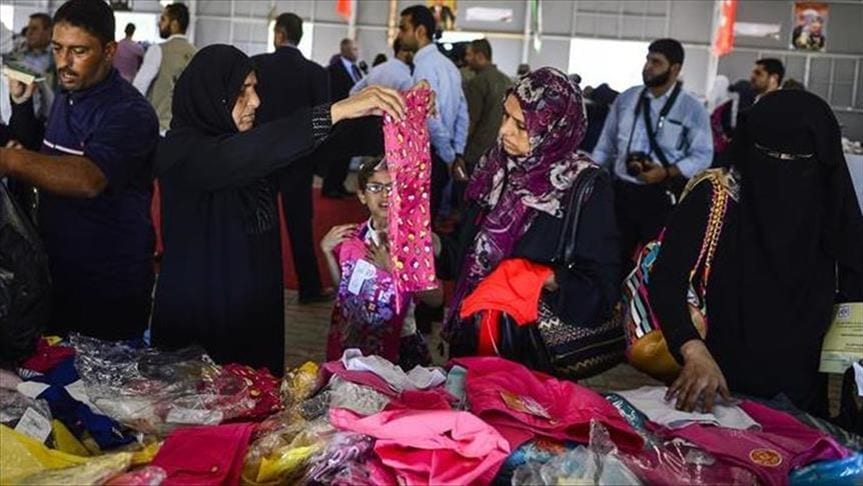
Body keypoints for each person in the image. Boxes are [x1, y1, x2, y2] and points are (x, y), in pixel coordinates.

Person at [150, 44, 414, 376]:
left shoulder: (243, 143)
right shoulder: (182, 152)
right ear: (211, 95)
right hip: (201, 324)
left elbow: (318, 147)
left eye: (254, 88)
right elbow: (249, 153)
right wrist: (336, 110)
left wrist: (402, 114)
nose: (255, 101)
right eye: (242, 91)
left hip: (252, 316)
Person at [652, 90, 863, 417]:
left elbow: (855, 296)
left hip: (802, 399)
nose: (781, 166)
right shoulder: (715, 198)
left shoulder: (833, 209)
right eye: (769, 153)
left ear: (823, 159)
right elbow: (666, 279)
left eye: (797, 158)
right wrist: (691, 348)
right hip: (709, 388)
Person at [435, 68, 621, 360]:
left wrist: (544, 278)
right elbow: (465, 252)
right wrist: (432, 245)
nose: (504, 131)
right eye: (505, 116)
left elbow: (602, 292)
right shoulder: (494, 169)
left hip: (526, 353)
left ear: (554, 129)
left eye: (521, 125)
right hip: (470, 337)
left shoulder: (582, 187)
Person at [0, 0, 159, 341]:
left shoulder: (129, 112)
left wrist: (8, 160)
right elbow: (48, 156)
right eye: (58, 48)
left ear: (109, 51)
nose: (64, 62)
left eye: (78, 51)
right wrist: (22, 106)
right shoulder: (68, 94)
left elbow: (89, 178)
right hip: (58, 273)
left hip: (107, 285)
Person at [592, 38, 712, 269]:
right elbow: (605, 145)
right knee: (610, 258)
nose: (648, 67)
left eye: (656, 62)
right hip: (621, 193)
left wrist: (667, 172)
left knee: (653, 263)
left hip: (660, 197)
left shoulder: (692, 109)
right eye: (647, 60)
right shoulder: (626, 99)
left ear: (674, 68)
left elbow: (703, 155)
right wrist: (591, 179)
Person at [321, 158, 443, 369]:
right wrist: (327, 252)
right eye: (375, 187)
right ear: (362, 195)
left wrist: (395, 269)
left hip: (400, 348)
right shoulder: (353, 237)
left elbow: (436, 298)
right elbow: (345, 291)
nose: (385, 195)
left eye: (392, 188)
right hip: (355, 343)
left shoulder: (414, 241)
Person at [252, 12, 331, 304]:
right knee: (300, 227)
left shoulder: (258, 65)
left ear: (279, 34)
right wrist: (317, 162)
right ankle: (309, 288)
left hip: (262, 156)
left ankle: (260, 285)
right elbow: (324, 122)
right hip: (299, 160)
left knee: (262, 224)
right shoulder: (316, 73)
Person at [398, 4, 468, 220]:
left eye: (403, 28)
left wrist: (448, 155)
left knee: (421, 221)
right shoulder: (449, 65)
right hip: (445, 152)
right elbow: (463, 113)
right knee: (434, 216)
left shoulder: (424, 67)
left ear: (420, 31)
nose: (400, 35)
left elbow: (429, 115)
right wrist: (457, 152)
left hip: (432, 153)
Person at [453, 38, 511, 182]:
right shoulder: (507, 81)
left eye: (469, 54)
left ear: (480, 56)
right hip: (500, 152)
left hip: (476, 154)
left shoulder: (478, 82)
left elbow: (470, 121)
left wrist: (459, 153)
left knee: (467, 191)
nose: (466, 59)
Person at [133, 2, 196, 134]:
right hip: (187, 131)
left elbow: (138, 88)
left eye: (163, 19)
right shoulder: (196, 54)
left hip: (161, 128)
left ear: (174, 24)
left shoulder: (158, 50)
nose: (159, 23)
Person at [322, 38, 363, 199]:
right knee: (336, 154)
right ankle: (330, 186)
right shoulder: (333, 70)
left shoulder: (356, 69)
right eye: (354, 49)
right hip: (339, 117)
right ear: (345, 50)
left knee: (346, 154)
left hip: (352, 118)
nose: (356, 52)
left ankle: (339, 184)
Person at [8, 13, 55, 120]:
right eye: (28, 28)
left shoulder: (56, 58)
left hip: (42, 114)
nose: (29, 32)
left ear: (48, 31)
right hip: (14, 106)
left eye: (34, 29)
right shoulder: (17, 52)